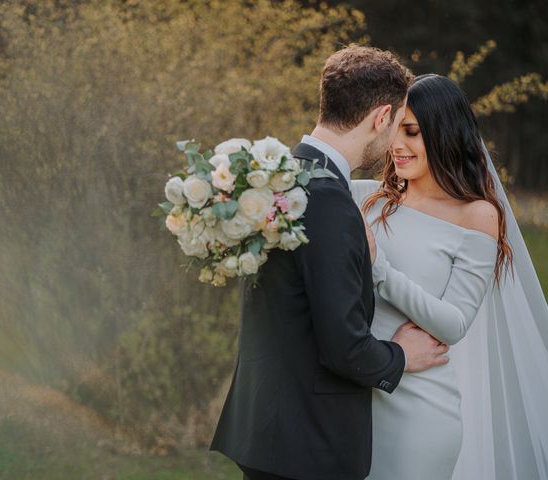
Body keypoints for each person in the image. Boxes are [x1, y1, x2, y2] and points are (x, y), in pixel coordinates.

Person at [210, 45, 448, 480]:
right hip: (308, 445)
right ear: (380, 117)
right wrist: (400, 356)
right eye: (396, 124)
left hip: (267, 427)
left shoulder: (285, 174)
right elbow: (344, 346)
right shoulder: (327, 199)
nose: (395, 139)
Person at [352, 73, 548, 479]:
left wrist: (380, 269)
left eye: (413, 132)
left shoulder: (476, 215)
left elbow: (454, 323)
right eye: (395, 131)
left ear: (443, 134)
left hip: (419, 412)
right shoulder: (369, 199)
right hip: (354, 401)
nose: (397, 146)